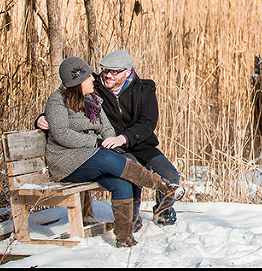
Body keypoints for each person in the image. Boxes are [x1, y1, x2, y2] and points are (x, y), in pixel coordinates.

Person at [43, 56, 183, 248]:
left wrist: (112, 141)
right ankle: (161, 185)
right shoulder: (57, 100)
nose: (94, 78)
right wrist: (97, 142)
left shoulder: (92, 99)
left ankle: (125, 238)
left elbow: (107, 127)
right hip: (66, 160)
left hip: (101, 153)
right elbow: (61, 133)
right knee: (107, 158)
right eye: (88, 77)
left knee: (121, 180)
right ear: (77, 82)